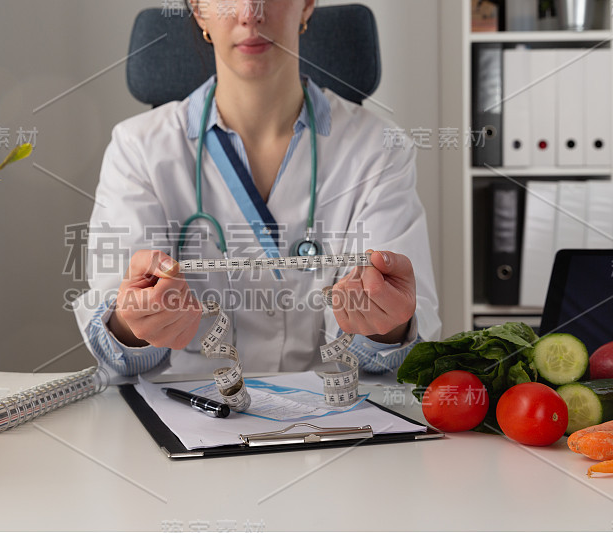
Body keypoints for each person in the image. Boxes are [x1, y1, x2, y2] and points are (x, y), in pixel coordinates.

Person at [73, 0, 441, 380]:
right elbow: (115, 346)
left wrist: (386, 325)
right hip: (191, 411)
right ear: (199, 11)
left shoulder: (379, 147)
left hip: (332, 416)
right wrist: (136, 326)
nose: (251, 12)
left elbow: (402, 341)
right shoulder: (138, 148)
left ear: (307, 5)